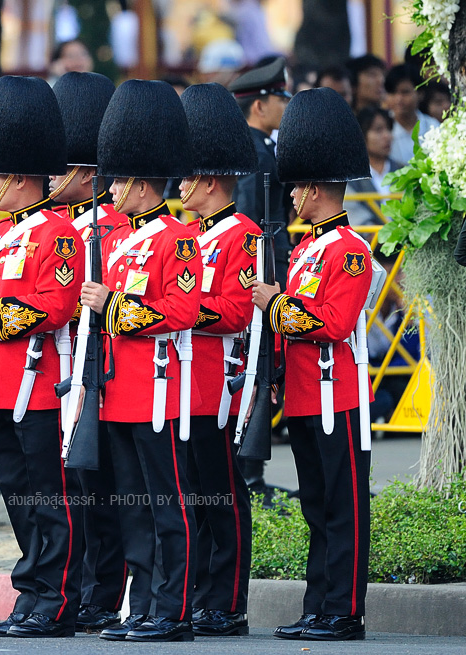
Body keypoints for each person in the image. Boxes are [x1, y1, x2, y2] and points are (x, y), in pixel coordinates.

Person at [0, 75, 84, 639]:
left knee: (50, 498)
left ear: (20, 178)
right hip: (0, 385)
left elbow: (54, 306)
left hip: (42, 383)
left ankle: (57, 599)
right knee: (18, 497)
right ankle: (32, 590)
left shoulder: (60, 234)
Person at [80, 79, 201, 643]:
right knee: (132, 507)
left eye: (119, 180)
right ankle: (144, 604)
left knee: (167, 504)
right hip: (117, 389)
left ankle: (172, 609)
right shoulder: (115, 240)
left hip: (157, 390)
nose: (111, 190)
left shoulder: (179, 239)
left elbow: (181, 310)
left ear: (143, 183)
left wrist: (112, 305)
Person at [251, 88, 374, 641]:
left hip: (336, 396)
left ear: (316, 189)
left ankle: (344, 611)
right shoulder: (305, 250)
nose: (292, 194)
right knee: (316, 507)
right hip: (303, 393)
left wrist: (274, 304)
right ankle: (319, 605)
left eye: (297, 186)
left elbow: (333, 322)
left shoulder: (350, 250)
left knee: (342, 508)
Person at [178, 83, 260, 637]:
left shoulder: (243, 236)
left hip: (217, 384)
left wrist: (179, 310)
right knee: (191, 497)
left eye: (187, 176)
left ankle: (227, 602)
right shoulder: (185, 234)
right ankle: (198, 594)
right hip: (178, 385)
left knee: (221, 494)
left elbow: (234, 312)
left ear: (209, 181)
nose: (178, 185)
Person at [48, 71, 126, 635]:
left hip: (100, 368)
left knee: (99, 489)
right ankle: (77, 589)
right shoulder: (58, 225)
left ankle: (104, 592)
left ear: (85, 170)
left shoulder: (114, 227)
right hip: (60, 370)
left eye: (62, 167)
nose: (52, 176)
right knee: (71, 488)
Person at [230, 57, 292, 293]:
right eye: (281, 100)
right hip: (265, 263)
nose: (286, 106)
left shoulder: (251, 146)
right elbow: (249, 215)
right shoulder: (258, 153)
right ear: (259, 107)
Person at [345, 107, 401, 226]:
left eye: (389, 129)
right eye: (378, 130)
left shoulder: (403, 170)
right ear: (361, 135)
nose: (387, 136)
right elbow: (356, 217)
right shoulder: (351, 178)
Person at [385, 64, 440, 166]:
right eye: (393, 92)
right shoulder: (382, 129)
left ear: (420, 94)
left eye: (405, 92)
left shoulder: (433, 127)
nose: (398, 99)